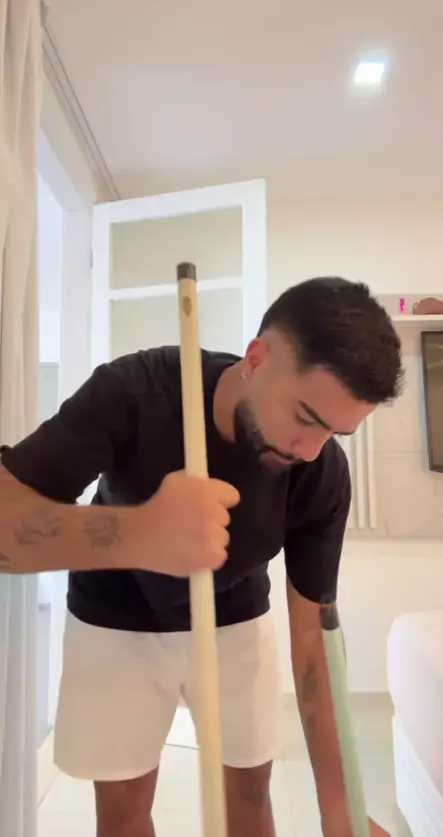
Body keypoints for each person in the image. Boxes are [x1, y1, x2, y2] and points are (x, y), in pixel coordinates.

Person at [0, 277, 402, 837]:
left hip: (236, 614)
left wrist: (339, 807)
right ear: (256, 359)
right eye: (306, 418)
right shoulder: (136, 391)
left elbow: (315, 639)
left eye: (335, 432)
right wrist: (138, 533)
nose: (310, 450)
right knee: (123, 808)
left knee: (250, 792)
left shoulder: (321, 472)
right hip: (115, 613)